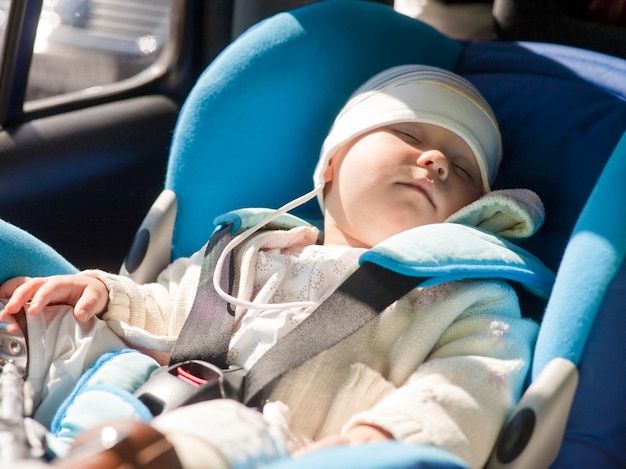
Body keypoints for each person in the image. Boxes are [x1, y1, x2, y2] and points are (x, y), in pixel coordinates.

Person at [0, 65, 551, 469]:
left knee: (221, 425)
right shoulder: (250, 249)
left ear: (475, 212)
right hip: (132, 391)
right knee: (42, 317)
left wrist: (383, 435)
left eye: (459, 168)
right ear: (332, 164)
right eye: (409, 135)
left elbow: (472, 384)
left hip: (267, 444)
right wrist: (100, 293)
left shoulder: (468, 295)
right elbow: (169, 306)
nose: (433, 161)